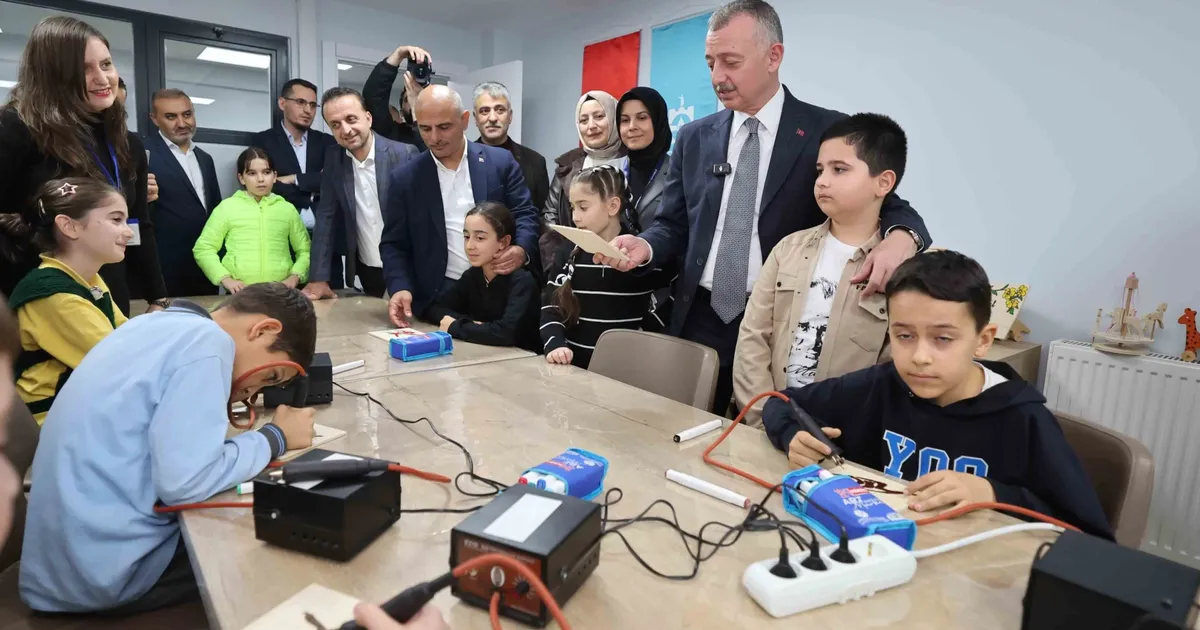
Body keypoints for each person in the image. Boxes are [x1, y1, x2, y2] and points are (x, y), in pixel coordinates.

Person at [594, 1, 930, 415]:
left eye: (731, 62)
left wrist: (903, 238)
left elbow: (889, 200)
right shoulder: (694, 137)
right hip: (699, 314)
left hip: (778, 321)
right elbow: (672, 224)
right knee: (681, 425)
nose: (718, 77)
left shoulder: (825, 131)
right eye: (711, 63)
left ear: (774, 56)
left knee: (765, 428)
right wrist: (645, 246)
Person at [761, 251, 1113, 538]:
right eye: (904, 336)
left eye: (943, 339)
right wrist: (792, 436)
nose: (920, 356)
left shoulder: (1024, 419)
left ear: (983, 340)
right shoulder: (880, 385)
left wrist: (992, 493)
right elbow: (781, 402)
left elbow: (1088, 535)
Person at [19, 283, 318, 614]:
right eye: (270, 376)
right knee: (284, 547)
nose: (253, 389)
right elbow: (185, 483)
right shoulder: (208, 342)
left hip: (63, 566)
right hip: (108, 575)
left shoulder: (150, 324)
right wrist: (276, 437)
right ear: (263, 329)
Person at [734, 113, 904, 426]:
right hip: (770, 421)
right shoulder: (788, 249)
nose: (823, 180)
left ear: (883, 182)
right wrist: (766, 420)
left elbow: (893, 365)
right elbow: (753, 337)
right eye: (820, 170)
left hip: (847, 433)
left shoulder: (901, 268)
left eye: (839, 169)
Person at [0, 16, 167, 315]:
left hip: (108, 300)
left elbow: (138, 224)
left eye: (106, 64)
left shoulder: (127, 143)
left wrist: (158, 298)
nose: (102, 79)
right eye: (84, 70)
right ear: (53, 76)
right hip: (37, 304)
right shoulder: (17, 129)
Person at [380, 85, 540, 327]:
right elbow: (394, 243)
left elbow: (525, 213)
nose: (434, 138)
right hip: (438, 296)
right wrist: (400, 286)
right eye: (425, 128)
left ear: (464, 121)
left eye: (444, 127)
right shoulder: (405, 178)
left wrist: (521, 249)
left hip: (496, 288)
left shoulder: (499, 162)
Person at [0, 178, 129, 424]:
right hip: (51, 422)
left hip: (80, 410)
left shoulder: (87, 278)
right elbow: (120, 361)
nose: (129, 232)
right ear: (69, 227)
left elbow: (127, 333)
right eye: (116, 220)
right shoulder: (53, 293)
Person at [541, 167, 675, 369]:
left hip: (630, 371)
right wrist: (555, 344)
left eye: (583, 207)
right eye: (572, 207)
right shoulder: (566, 252)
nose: (575, 217)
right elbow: (551, 308)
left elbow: (678, 291)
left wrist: (651, 327)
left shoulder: (640, 255)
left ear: (613, 206)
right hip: (574, 369)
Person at [303, 87, 419, 300]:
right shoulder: (334, 159)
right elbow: (326, 218)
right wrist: (318, 278)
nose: (346, 130)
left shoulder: (404, 155)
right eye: (335, 125)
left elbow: (422, 218)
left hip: (407, 268)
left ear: (368, 118)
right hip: (367, 269)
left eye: (351, 119)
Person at [251, 79, 341, 288]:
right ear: (282, 103)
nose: (308, 110)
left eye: (313, 105)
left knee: (331, 300)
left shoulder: (328, 142)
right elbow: (265, 188)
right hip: (282, 239)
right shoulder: (263, 141)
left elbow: (334, 180)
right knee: (284, 299)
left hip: (324, 239)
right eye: (301, 102)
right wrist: (313, 188)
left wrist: (293, 179)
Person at [193, 148, 310, 292]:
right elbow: (203, 248)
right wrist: (225, 279)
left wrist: (295, 277)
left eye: (266, 172)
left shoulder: (287, 209)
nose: (260, 179)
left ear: (274, 176)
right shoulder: (227, 208)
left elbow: (305, 250)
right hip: (240, 293)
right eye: (252, 173)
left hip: (280, 292)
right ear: (241, 178)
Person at [427, 202, 539, 352]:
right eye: (466, 237)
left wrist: (457, 327)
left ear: (504, 242)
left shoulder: (522, 281)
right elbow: (435, 309)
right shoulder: (473, 275)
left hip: (527, 360)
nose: (469, 246)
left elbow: (506, 333)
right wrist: (472, 326)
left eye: (480, 238)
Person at [146, 88, 222, 297]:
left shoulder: (205, 159)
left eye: (187, 114)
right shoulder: (144, 154)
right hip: (163, 268)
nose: (182, 123)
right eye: (171, 117)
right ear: (155, 119)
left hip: (205, 266)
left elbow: (216, 212)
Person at [541, 90, 626, 240]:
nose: (591, 126)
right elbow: (550, 218)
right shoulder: (567, 166)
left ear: (614, 118)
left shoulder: (634, 162)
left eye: (599, 117)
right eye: (584, 120)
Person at [472, 81, 550, 213]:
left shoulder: (535, 162)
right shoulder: (464, 159)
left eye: (500, 110)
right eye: (484, 111)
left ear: (510, 116)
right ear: (475, 118)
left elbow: (543, 215)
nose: (492, 118)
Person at [617, 87, 672, 233]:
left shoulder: (679, 172)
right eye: (624, 120)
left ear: (657, 120)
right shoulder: (611, 172)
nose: (632, 127)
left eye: (641, 118)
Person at [362, 44, 429, 150]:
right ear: (401, 112)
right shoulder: (392, 133)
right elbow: (373, 99)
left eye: (422, 97)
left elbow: (430, 153)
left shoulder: (443, 134)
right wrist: (398, 55)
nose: (415, 101)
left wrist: (418, 111)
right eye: (408, 99)